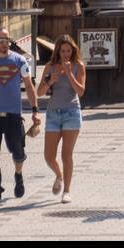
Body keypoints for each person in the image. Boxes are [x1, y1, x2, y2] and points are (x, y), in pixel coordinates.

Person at [0, 27, 40, 203]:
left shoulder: (19, 61)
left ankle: (18, 176)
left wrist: (35, 111)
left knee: (18, 153)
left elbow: (29, 86)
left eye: (7, 39)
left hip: (14, 117)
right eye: (1, 39)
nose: (5, 43)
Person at [38, 34, 85, 203]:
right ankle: (59, 175)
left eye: (68, 51)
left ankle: (67, 190)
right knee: (49, 156)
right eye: (63, 51)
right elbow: (39, 92)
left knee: (67, 155)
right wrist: (51, 81)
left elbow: (80, 91)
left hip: (71, 112)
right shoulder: (50, 66)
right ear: (57, 51)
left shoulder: (78, 66)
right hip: (53, 113)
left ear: (73, 51)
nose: (66, 54)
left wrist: (69, 75)